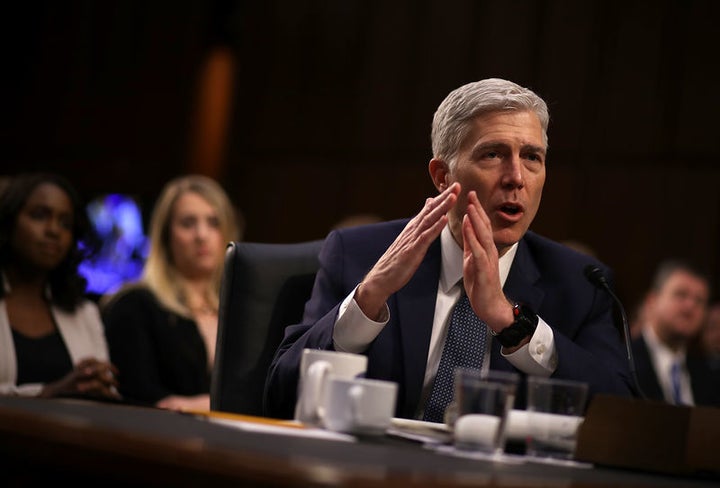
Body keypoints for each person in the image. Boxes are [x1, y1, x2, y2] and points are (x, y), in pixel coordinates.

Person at [265, 78, 634, 422]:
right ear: (443, 176)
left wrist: (514, 324)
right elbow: (280, 394)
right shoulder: (359, 253)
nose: (516, 177)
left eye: (532, 158)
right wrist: (368, 298)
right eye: (493, 154)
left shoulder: (580, 283)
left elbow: (626, 416)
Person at [102, 174, 239, 411]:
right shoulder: (134, 305)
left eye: (213, 222)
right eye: (188, 223)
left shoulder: (241, 311)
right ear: (166, 236)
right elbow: (140, 400)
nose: (201, 235)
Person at [0, 172, 120, 399]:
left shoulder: (85, 313)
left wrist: (102, 387)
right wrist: (48, 393)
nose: (54, 230)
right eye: (39, 216)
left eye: (65, 223)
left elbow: (104, 398)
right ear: (8, 221)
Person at [631, 259, 720, 406]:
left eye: (699, 300)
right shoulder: (622, 362)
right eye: (681, 295)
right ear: (652, 301)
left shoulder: (710, 375)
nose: (690, 306)